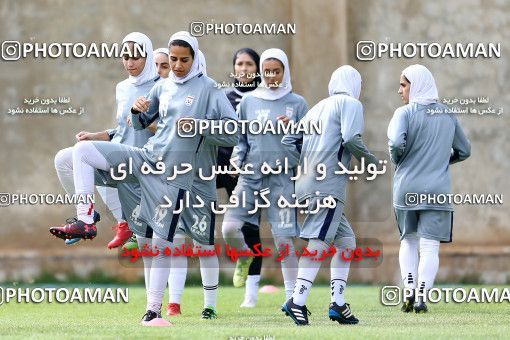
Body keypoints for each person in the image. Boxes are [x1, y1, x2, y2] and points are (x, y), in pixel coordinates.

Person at [49, 31, 238, 326]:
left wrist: (199, 125)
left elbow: (233, 131)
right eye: (172, 59)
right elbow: (143, 123)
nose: (176, 66)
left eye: (183, 60)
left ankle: (153, 311)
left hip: (176, 175)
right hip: (146, 158)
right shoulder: (162, 87)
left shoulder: (211, 89)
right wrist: (138, 112)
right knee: (81, 151)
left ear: (195, 59)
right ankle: (85, 219)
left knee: (159, 244)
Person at [281, 65, 378, 326]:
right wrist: (371, 160)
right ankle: (297, 301)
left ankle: (338, 303)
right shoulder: (351, 104)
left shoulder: (317, 107)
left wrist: (305, 166)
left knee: (346, 243)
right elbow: (350, 137)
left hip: (305, 185)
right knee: (320, 241)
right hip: (328, 186)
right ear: (354, 84)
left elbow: (289, 141)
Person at [52, 32, 160, 248]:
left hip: (142, 161)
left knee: (84, 152)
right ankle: (91, 216)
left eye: (136, 57)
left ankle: (87, 220)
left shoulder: (161, 87)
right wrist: (95, 136)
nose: (129, 62)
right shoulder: (122, 87)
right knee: (63, 158)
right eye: (125, 56)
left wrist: (143, 120)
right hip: (119, 154)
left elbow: (167, 130)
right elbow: (122, 128)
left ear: (148, 56)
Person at [221, 48, 308, 306]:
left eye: (276, 71)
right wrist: (236, 160)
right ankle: (244, 256)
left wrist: (292, 131)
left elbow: (308, 146)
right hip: (249, 177)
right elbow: (241, 141)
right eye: (267, 71)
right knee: (229, 228)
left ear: (285, 72)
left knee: (283, 240)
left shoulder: (298, 104)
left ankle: (294, 299)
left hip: (281, 180)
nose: (271, 76)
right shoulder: (248, 102)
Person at [388, 64, 470, 313]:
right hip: (438, 190)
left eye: (403, 85)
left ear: (416, 85)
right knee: (430, 246)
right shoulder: (447, 114)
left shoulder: (404, 114)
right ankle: (422, 296)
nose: (399, 90)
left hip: (406, 189)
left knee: (409, 241)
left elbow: (394, 143)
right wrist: (442, 161)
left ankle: (409, 291)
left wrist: (398, 159)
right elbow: (465, 150)